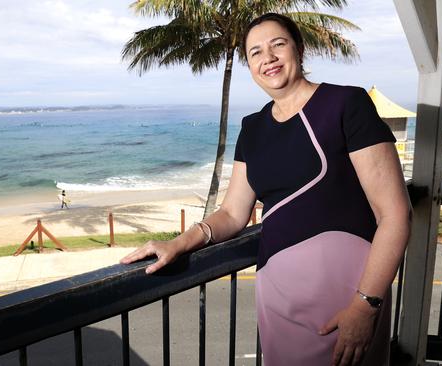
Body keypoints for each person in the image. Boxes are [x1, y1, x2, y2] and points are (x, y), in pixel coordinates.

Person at [121, 13, 411, 366]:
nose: (268, 58)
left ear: (299, 49)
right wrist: (177, 244)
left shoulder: (346, 105)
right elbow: (231, 213)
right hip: (278, 299)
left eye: (278, 44)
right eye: (255, 52)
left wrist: (366, 306)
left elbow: (395, 214)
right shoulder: (252, 128)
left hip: (348, 300)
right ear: (249, 64)